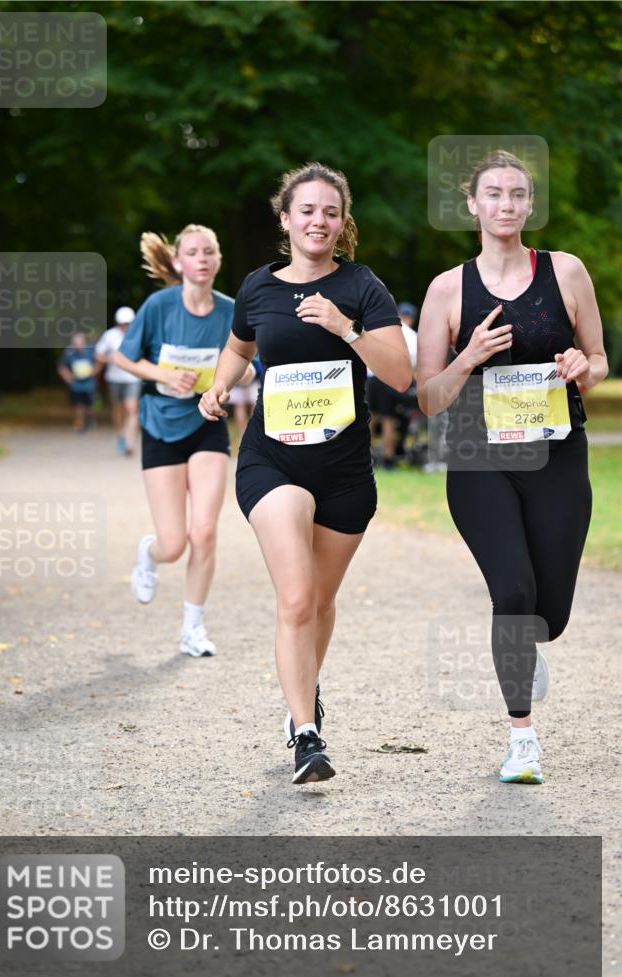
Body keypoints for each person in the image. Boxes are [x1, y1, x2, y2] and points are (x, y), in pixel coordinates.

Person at [199, 163, 412, 785]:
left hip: (345, 470)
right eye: (307, 210)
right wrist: (219, 387)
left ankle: (304, 692)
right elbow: (240, 348)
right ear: (285, 217)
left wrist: (344, 327)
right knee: (295, 597)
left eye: (330, 212)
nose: (318, 221)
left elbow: (400, 375)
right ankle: (306, 733)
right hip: (273, 461)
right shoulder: (258, 288)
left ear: (342, 223)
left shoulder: (362, 286)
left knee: (320, 600)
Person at [417, 150, 608, 784]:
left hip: (556, 452)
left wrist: (585, 367)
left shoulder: (566, 271)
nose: (506, 204)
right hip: (479, 459)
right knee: (514, 595)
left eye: (517, 195)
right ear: (471, 204)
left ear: (529, 205)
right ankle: (521, 737)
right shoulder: (448, 289)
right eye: (493, 194)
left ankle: (525, 648)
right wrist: (467, 356)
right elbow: (427, 396)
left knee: (549, 615)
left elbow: (600, 359)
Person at [113, 225, 254, 657]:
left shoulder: (231, 311)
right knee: (173, 543)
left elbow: (250, 368)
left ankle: (193, 626)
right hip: (160, 425)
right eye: (193, 252)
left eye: (209, 251)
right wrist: (165, 375)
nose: (202, 259)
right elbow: (122, 356)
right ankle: (149, 554)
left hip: (207, 423)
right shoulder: (158, 306)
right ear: (178, 262)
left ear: (218, 259)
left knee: (205, 531)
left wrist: (225, 382)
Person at [366, 301, 418, 468]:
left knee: (370, 417)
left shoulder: (381, 327)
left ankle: (367, 455)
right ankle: (388, 458)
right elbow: (414, 367)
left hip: (371, 376)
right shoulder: (412, 335)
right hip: (390, 378)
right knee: (388, 418)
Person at [95, 306, 141, 456]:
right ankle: (120, 434)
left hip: (133, 377)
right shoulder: (110, 336)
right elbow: (98, 354)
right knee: (118, 409)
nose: (125, 326)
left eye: (128, 323)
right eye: (123, 323)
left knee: (132, 408)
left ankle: (130, 441)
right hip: (114, 378)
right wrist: (110, 359)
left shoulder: (139, 334)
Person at [57, 332, 100, 432]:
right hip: (76, 384)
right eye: (75, 342)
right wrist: (68, 377)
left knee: (89, 405)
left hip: (89, 383)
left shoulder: (91, 350)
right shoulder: (69, 352)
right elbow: (62, 367)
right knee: (78, 405)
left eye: (79, 342)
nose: (77, 344)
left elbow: (99, 362)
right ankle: (79, 424)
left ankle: (90, 420)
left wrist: (93, 372)